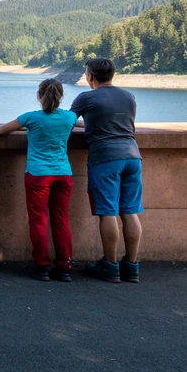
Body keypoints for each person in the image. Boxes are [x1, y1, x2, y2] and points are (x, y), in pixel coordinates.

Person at [0, 79, 76, 282]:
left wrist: (27, 128)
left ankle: (41, 266)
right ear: (61, 96)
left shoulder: (30, 118)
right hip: (64, 174)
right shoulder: (70, 117)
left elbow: (0, 131)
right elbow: (78, 122)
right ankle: (64, 267)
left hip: (38, 175)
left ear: (39, 96)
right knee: (61, 221)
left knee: (39, 221)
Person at [70, 58, 142, 283]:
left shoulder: (86, 97)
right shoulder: (129, 97)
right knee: (130, 211)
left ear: (90, 75)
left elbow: (66, 121)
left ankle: (110, 266)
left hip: (105, 158)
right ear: (112, 75)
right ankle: (131, 267)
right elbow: (126, 125)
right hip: (132, 156)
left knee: (108, 212)